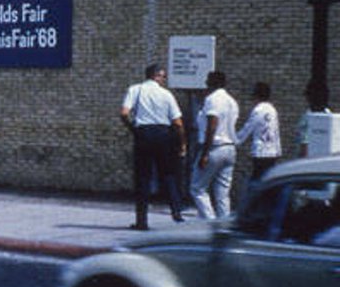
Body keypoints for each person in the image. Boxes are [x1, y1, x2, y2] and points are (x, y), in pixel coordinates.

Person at [120, 64, 186, 230]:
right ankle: (176, 213)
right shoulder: (166, 94)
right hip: (164, 134)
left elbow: (124, 113)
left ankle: (142, 221)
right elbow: (178, 123)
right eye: (163, 77)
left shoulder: (135, 89)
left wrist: (134, 129)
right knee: (168, 174)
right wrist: (182, 143)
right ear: (156, 76)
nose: (164, 80)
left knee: (143, 178)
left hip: (144, 134)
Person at [190, 71, 239, 220]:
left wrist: (205, 153)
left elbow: (212, 125)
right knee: (222, 193)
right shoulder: (232, 101)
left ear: (212, 83)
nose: (205, 83)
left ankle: (210, 223)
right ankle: (224, 225)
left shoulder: (212, 99)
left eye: (208, 80)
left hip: (214, 147)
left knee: (197, 188)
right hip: (230, 148)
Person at [236, 82, 281, 181]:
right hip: (272, 152)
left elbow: (248, 128)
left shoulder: (258, 110)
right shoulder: (273, 109)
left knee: (257, 180)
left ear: (256, 95)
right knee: (268, 180)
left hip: (261, 152)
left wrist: (234, 141)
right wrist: (278, 151)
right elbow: (276, 132)